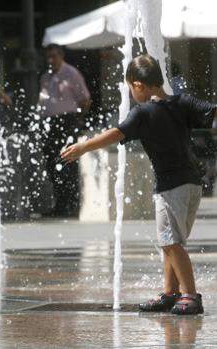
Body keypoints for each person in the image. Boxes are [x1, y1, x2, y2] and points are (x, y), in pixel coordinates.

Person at [61, 54, 217, 315]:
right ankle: (170, 293)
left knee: (171, 243)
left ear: (138, 85)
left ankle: (190, 295)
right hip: (192, 184)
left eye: (130, 88)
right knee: (171, 241)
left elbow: (116, 133)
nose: (132, 94)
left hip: (171, 187)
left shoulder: (142, 112)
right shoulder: (182, 102)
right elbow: (212, 112)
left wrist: (83, 147)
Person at [38, 43, 92, 217]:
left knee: (68, 163)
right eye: (48, 57)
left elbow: (85, 99)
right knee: (52, 163)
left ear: (61, 56)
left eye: (54, 56)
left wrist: (77, 119)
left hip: (67, 121)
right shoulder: (45, 77)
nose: (51, 60)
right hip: (49, 123)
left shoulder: (71, 73)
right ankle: (59, 204)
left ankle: (72, 204)